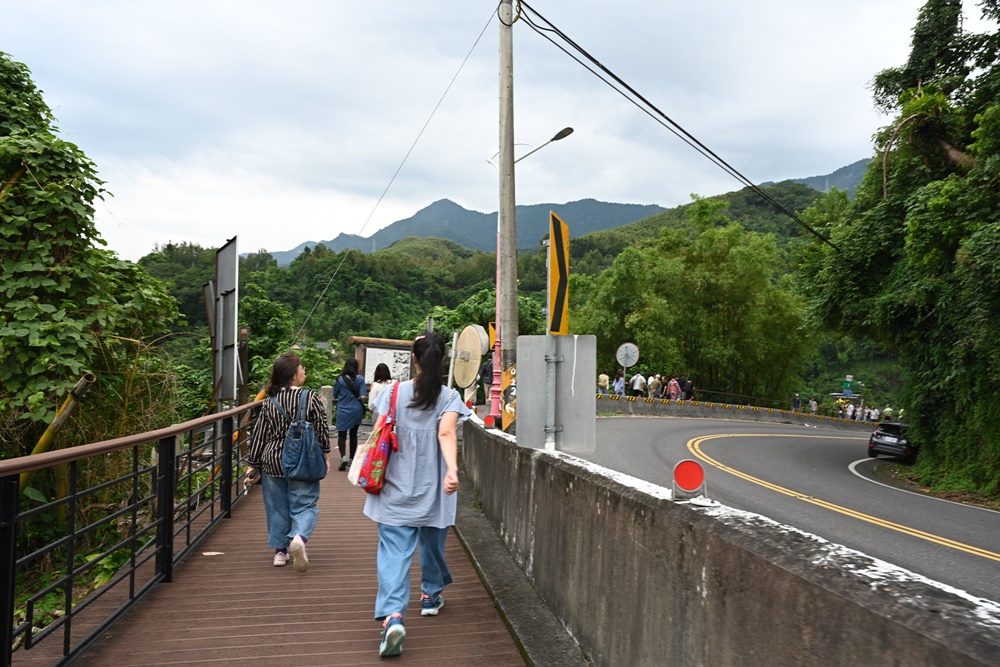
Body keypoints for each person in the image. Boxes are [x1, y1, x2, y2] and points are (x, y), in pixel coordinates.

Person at [364, 331, 471, 657]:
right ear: (442, 360)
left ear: (414, 358)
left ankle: (394, 618)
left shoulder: (393, 392)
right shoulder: (450, 397)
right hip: (434, 489)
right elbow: (447, 431)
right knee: (433, 544)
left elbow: (380, 431)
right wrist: (452, 469)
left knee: (394, 555)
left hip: (395, 487)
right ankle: (430, 594)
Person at [245, 352, 330, 571]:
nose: (304, 371)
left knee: (276, 508)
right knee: (305, 504)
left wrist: (253, 464)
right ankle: (299, 538)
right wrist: (325, 455)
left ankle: (280, 552)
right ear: (293, 375)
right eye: (301, 368)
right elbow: (321, 429)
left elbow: (259, 434)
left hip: (273, 459)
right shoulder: (310, 398)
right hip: (303, 459)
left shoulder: (269, 402)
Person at [334, 357, 368, 471]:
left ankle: (343, 457)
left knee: (342, 434)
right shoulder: (360, 379)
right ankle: (352, 459)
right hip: (356, 409)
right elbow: (363, 396)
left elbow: (334, 394)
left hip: (343, 409)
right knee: (354, 434)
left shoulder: (339, 379)